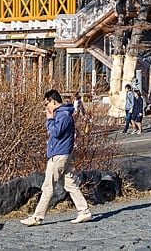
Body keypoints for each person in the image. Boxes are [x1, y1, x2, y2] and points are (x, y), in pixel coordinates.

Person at [21, 89, 93, 226]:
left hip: (59, 155)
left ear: (53, 102)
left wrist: (49, 120)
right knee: (70, 184)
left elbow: (55, 132)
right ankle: (84, 211)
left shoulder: (64, 115)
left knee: (48, 186)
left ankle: (37, 217)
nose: (46, 107)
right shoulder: (63, 114)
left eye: (46, 104)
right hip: (63, 154)